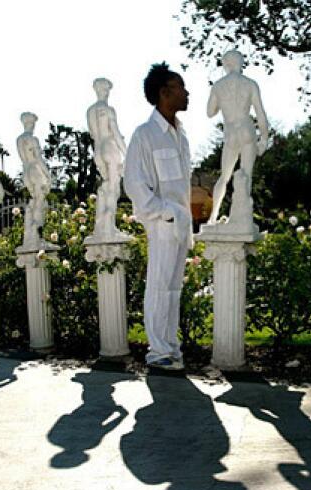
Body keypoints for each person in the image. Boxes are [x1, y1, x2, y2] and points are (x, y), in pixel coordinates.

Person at [124, 62, 191, 370]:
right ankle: (157, 351)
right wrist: (164, 212)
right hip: (163, 223)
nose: (186, 93)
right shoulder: (145, 135)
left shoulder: (180, 135)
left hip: (181, 223)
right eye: (180, 87)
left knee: (174, 289)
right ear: (165, 93)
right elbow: (134, 183)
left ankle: (170, 346)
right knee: (159, 286)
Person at [206, 50, 268, 225]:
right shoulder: (250, 84)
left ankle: (213, 217)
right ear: (240, 63)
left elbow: (210, 112)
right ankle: (242, 217)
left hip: (231, 132)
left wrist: (221, 101)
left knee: (224, 177)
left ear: (226, 64)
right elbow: (260, 114)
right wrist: (264, 138)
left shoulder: (218, 86)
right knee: (246, 175)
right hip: (247, 130)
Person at [87, 78, 128, 238]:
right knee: (113, 187)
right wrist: (127, 153)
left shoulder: (90, 111)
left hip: (98, 149)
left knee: (104, 187)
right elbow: (116, 133)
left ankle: (100, 227)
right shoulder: (108, 109)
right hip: (110, 147)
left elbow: (93, 134)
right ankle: (109, 228)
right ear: (105, 91)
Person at [17, 112, 52, 249]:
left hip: (26, 171)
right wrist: (47, 175)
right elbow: (38, 159)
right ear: (30, 123)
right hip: (36, 171)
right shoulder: (32, 139)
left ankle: (34, 234)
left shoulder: (19, 140)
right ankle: (37, 234)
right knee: (40, 202)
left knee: (35, 201)